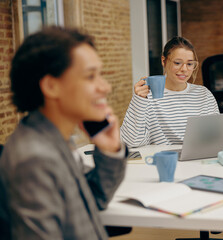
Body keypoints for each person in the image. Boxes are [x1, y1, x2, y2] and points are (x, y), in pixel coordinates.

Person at [0, 26, 128, 239]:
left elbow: (93, 199)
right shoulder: (35, 159)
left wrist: (109, 150)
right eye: (90, 76)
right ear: (51, 86)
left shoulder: (56, 140)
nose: (105, 87)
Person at [121, 36, 219, 147]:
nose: (184, 69)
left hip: (197, 160)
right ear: (164, 61)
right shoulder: (147, 97)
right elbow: (129, 142)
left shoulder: (204, 94)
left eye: (190, 64)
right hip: (162, 160)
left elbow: (216, 137)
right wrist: (139, 101)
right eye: (177, 63)